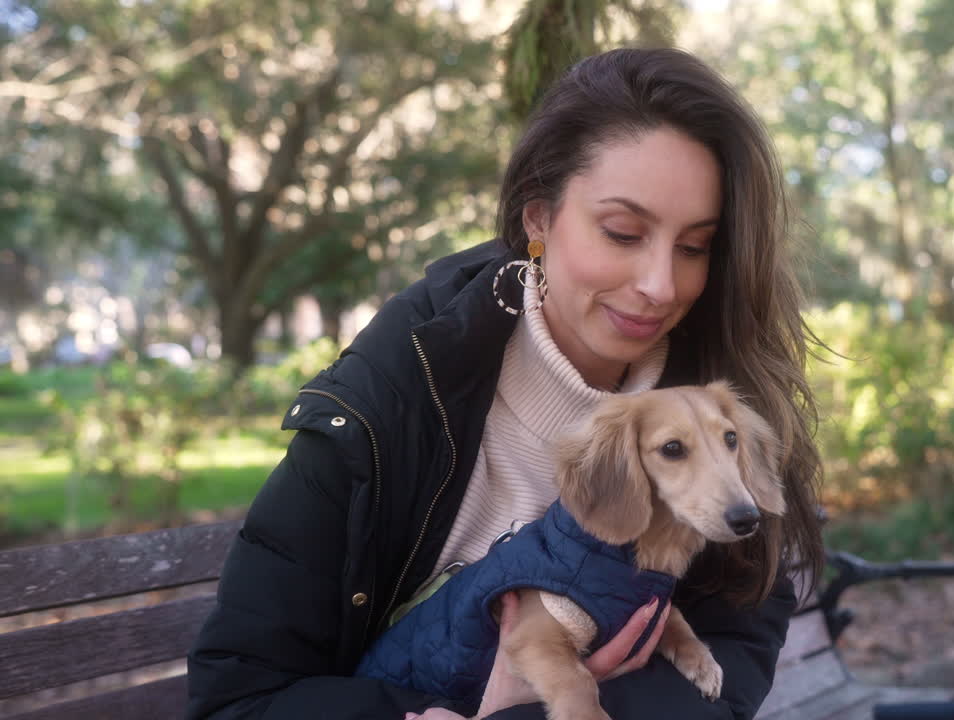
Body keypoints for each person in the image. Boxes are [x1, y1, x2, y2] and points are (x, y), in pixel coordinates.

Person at [186, 47, 824, 720]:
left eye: (694, 247)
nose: (661, 286)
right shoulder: (386, 401)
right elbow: (239, 698)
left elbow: (733, 650)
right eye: (622, 231)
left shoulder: (718, 415)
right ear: (539, 219)